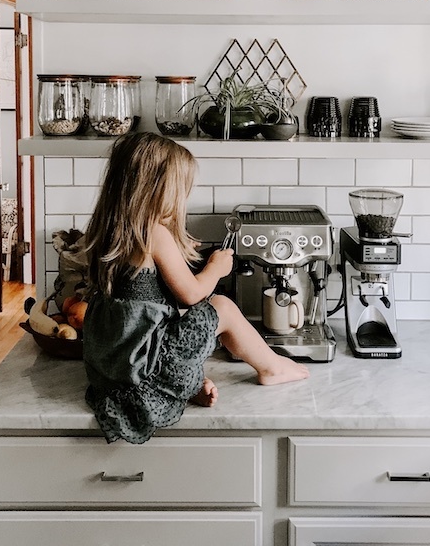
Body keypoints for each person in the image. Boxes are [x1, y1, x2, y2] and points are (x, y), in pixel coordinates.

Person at [82, 131, 309, 444]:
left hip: (114, 372)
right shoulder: (153, 233)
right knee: (223, 308)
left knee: (183, 326)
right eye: (180, 190)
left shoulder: (108, 229)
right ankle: (272, 368)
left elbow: (151, 310)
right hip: (144, 370)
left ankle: (187, 385)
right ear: (157, 189)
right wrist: (215, 269)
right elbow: (190, 295)